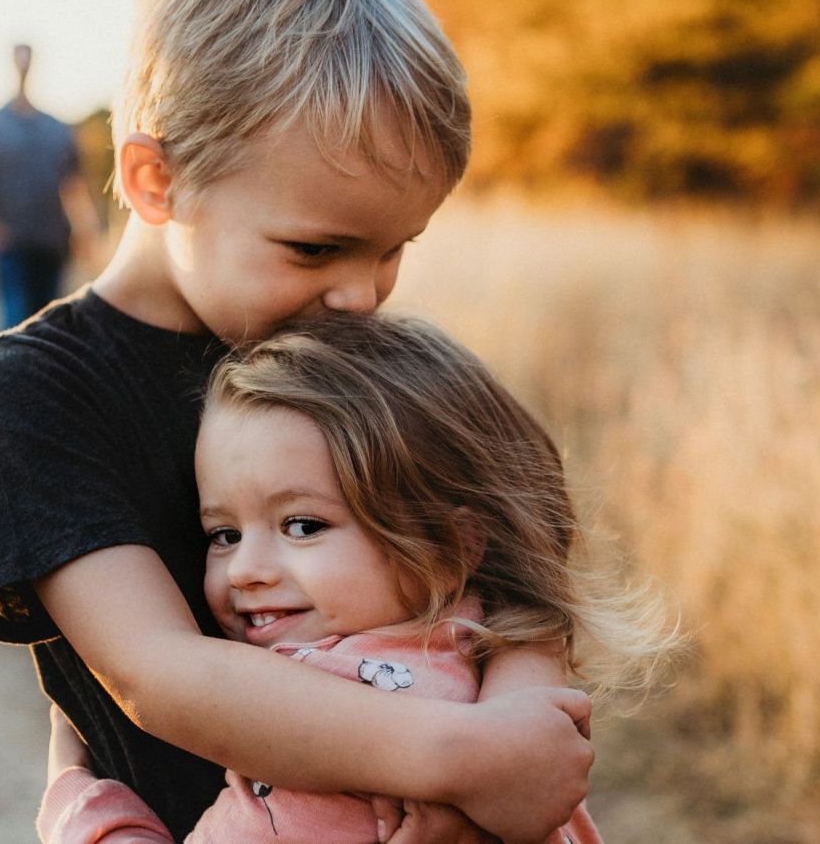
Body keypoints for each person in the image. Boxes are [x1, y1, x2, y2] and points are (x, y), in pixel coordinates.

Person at [0, 0, 593, 843]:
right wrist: (458, 760)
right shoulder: (46, 388)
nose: (360, 295)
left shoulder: (349, 353)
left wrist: (503, 754)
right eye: (316, 248)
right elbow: (158, 674)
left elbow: (526, 568)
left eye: (394, 250)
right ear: (155, 180)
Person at [35, 313, 679, 844]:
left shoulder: (328, 720)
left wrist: (79, 799)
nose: (248, 571)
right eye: (224, 535)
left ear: (450, 543)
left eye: (304, 526)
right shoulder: (492, 660)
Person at [0, 43, 101, 329]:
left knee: (48, 323)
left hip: (53, 241)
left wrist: (85, 232)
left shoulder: (56, 128)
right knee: (15, 321)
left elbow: (74, 185)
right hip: (11, 244)